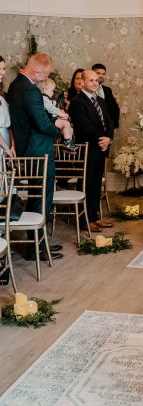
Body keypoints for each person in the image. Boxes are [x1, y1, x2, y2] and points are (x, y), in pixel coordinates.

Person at [7, 53, 63, 260]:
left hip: (29, 149)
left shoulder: (16, 85)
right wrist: (62, 132)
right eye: (45, 74)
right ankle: (36, 249)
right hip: (38, 150)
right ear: (35, 70)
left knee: (35, 197)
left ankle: (38, 244)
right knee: (42, 197)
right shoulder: (29, 90)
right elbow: (41, 123)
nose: (45, 78)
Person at [68, 70, 114, 233]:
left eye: (96, 81)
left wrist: (108, 138)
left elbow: (109, 121)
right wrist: (101, 139)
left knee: (95, 185)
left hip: (101, 149)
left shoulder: (100, 100)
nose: (95, 83)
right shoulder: (77, 102)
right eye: (91, 80)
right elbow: (84, 126)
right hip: (88, 148)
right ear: (82, 82)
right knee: (86, 185)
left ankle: (95, 216)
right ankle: (84, 220)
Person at [39, 78, 77, 152]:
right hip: (49, 120)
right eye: (52, 90)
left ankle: (67, 143)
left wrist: (61, 112)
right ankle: (67, 142)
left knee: (70, 128)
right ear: (44, 90)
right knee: (66, 123)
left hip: (54, 118)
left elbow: (55, 108)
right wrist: (62, 115)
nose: (53, 93)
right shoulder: (44, 98)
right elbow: (51, 109)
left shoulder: (48, 99)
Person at [92, 63, 120, 129]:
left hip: (108, 126)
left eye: (103, 74)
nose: (101, 76)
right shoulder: (87, 89)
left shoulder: (107, 90)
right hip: (93, 126)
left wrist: (113, 125)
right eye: (98, 73)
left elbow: (115, 107)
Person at [0, 56, 16, 159]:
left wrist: (12, 145)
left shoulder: (3, 95)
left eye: (3, 69)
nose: (2, 72)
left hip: (7, 142)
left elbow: (9, 125)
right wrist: (6, 148)